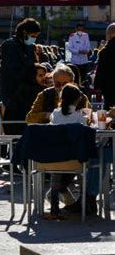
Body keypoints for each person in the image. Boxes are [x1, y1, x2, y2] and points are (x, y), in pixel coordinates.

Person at [48, 84, 88, 216]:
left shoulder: (54, 114)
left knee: (57, 168)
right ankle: (80, 201)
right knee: (82, 163)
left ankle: (54, 201)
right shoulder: (79, 117)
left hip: (54, 159)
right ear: (77, 100)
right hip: (74, 159)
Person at [26, 64, 91, 124]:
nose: (61, 88)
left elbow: (91, 118)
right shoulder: (44, 95)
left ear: (72, 83)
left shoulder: (81, 97)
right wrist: (49, 115)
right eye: (57, 84)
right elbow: (29, 118)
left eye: (65, 84)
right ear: (53, 83)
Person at [0, 18, 40, 107]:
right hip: (12, 93)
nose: (34, 39)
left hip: (28, 93)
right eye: (33, 36)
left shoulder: (29, 47)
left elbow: (33, 65)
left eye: (36, 36)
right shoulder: (9, 45)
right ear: (24, 32)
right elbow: (15, 70)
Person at [3, 64, 47, 135]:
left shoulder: (28, 87)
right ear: (32, 76)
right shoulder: (28, 90)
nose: (44, 78)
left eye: (44, 75)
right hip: (18, 127)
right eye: (40, 76)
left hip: (21, 125)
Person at [95, 23, 115, 109]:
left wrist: (97, 86)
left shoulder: (104, 52)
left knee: (109, 107)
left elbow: (100, 70)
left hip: (109, 85)